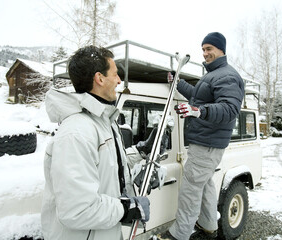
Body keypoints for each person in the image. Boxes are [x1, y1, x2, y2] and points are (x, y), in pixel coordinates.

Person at [41, 45, 150, 240]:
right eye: (115, 75)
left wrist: (141, 152)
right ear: (99, 78)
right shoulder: (76, 133)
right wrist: (126, 209)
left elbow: (108, 168)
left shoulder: (103, 121)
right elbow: (77, 210)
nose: (119, 81)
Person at [158, 32, 245, 240]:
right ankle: (208, 224)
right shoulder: (213, 74)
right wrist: (177, 82)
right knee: (203, 184)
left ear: (221, 49)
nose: (205, 53)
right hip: (205, 142)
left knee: (190, 189)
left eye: (209, 49)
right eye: (203, 49)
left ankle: (180, 234)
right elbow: (197, 96)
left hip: (208, 143)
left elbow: (229, 109)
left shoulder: (227, 75)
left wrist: (198, 111)